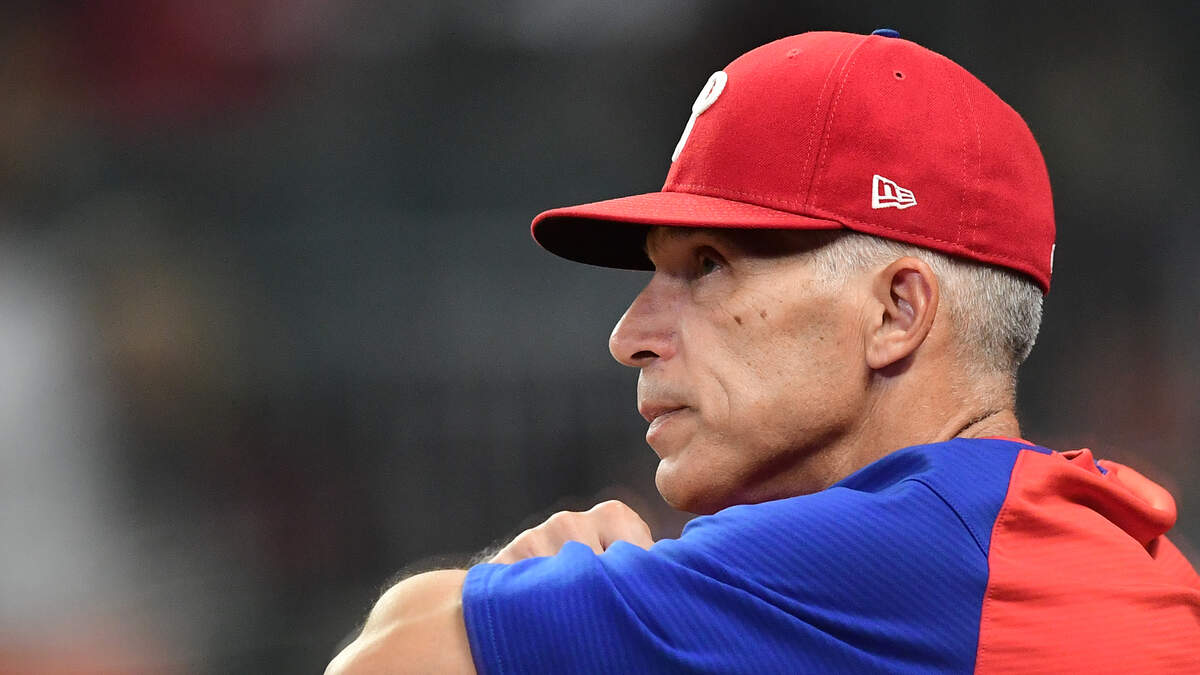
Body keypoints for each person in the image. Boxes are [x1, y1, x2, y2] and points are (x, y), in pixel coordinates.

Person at [326, 29, 1200, 673]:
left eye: (708, 266)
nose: (629, 336)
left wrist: (515, 581)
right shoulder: (1116, 554)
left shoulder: (889, 559)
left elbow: (389, 655)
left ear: (895, 311)